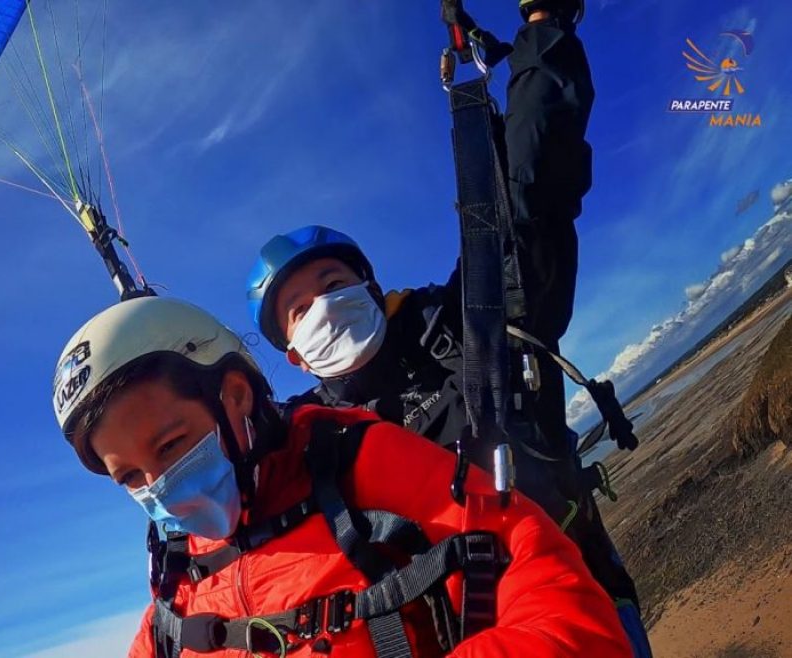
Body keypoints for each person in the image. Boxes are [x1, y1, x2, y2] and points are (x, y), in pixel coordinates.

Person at [245, 1, 653, 656]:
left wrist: (545, 32)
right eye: (299, 309)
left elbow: (526, 197)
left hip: (577, 609)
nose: (323, 307)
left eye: (333, 285)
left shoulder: (470, 321)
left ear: (374, 292)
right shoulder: (303, 450)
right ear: (293, 356)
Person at [51, 296, 632, 658]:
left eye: (171, 445)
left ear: (233, 397)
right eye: (130, 477)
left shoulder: (357, 464)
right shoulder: (175, 584)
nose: (160, 484)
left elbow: (562, 608)